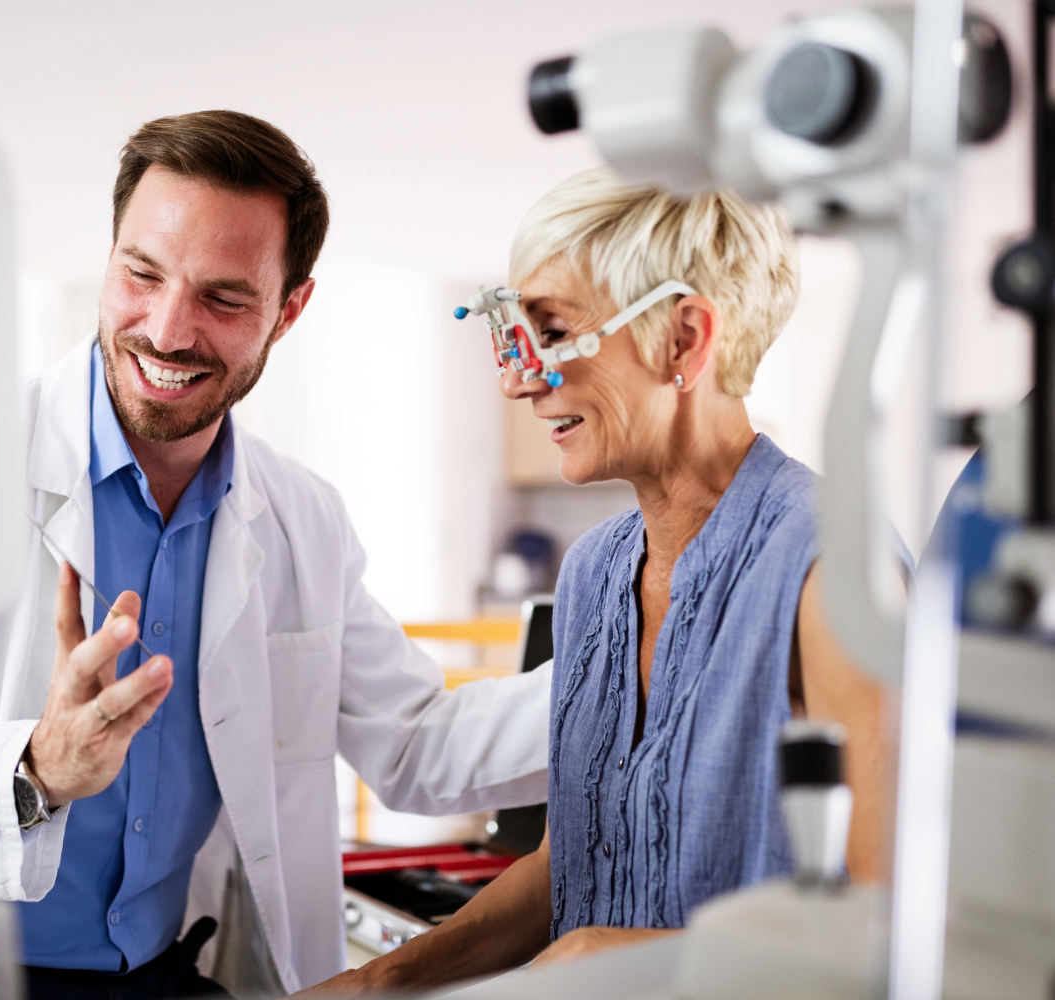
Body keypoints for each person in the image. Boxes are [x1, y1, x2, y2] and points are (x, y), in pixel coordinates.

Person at [0, 110, 552, 997]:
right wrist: (36, 772)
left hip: (167, 972)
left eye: (224, 299)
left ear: (289, 310)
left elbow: (418, 745)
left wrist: (653, 667)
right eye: (141, 275)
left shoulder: (301, 515)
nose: (169, 330)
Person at [304, 168, 889, 994]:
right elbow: (572, 864)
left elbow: (891, 921)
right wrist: (382, 982)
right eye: (513, 334)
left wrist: (631, 961)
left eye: (551, 331)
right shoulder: (595, 573)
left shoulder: (832, 566)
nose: (518, 378)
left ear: (683, 339)